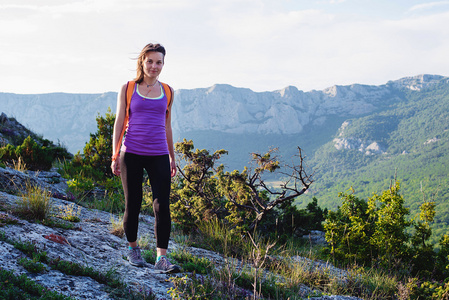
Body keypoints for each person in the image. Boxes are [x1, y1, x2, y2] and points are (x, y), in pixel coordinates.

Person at [111, 43, 180, 273]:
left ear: (163, 64)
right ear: (142, 62)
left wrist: (172, 156)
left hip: (159, 153)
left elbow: (167, 127)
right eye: (150, 61)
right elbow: (119, 122)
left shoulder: (168, 91)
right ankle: (133, 249)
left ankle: (162, 258)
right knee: (134, 202)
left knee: (162, 206)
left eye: (158, 62)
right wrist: (115, 154)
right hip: (131, 153)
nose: (154, 66)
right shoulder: (129, 88)